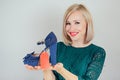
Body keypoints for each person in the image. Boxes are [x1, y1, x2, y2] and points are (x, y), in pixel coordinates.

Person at [25, 3, 106, 80]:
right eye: (68, 23)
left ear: (87, 24)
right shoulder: (59, 47)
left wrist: (61, 70)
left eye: (77, 23)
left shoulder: (98, 52)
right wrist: (45, 66)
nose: (71, 28)